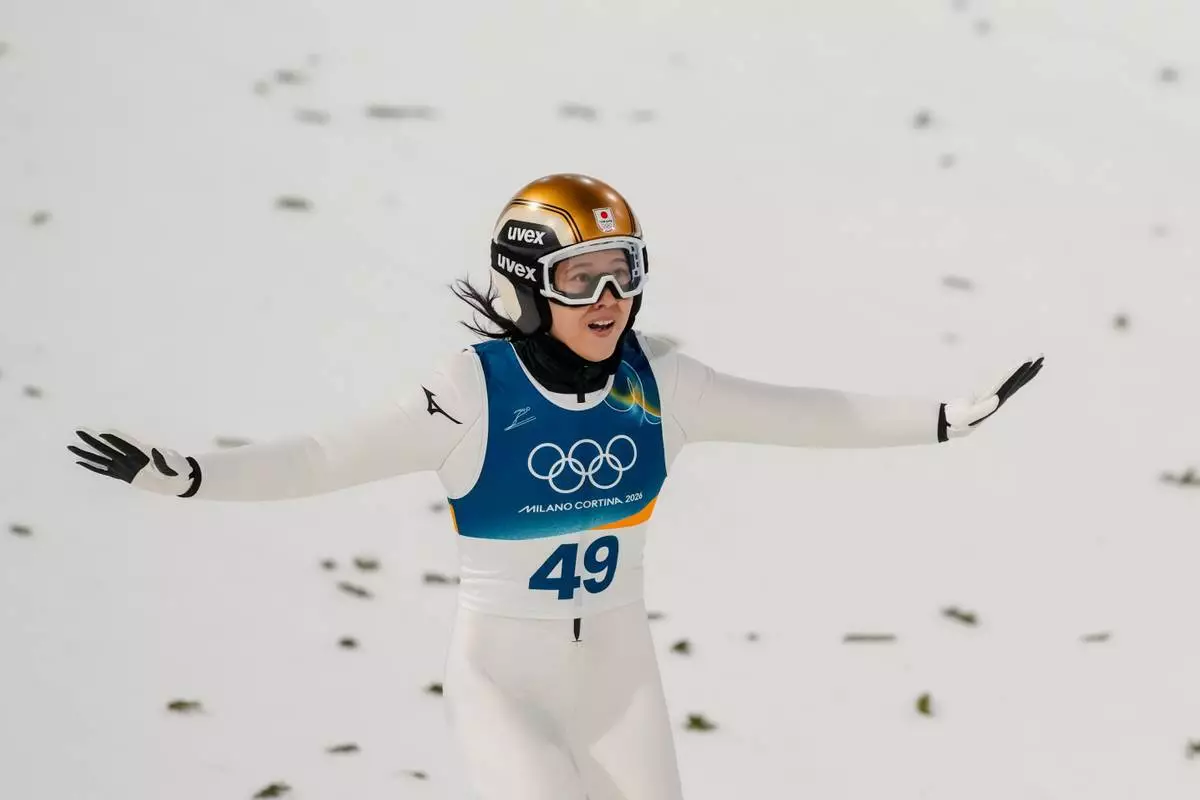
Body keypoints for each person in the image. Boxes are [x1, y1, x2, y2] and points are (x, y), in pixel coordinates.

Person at [68, 173, 1044, 800]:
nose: (608, 303)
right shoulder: (467, 396)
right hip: (504, 680)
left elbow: (805, 412)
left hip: (621, 677)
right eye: (582, 280)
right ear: (524, 284)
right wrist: (192, 478)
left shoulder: (664, 385)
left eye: (622, 277)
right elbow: (324, 457)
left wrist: (942, 418)